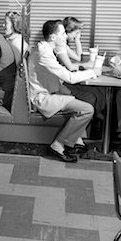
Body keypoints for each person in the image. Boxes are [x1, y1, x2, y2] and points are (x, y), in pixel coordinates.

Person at [28, 19, 102, 162]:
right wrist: (93, 71)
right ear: (53, 37)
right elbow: (69, 77)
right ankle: (58, 145)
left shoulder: (45, 49)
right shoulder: (44, 54)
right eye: (62, 33)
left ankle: (75, 141)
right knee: (87, 109)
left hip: (50, 91)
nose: (65, 36)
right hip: (42, 97)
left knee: (82, 100)